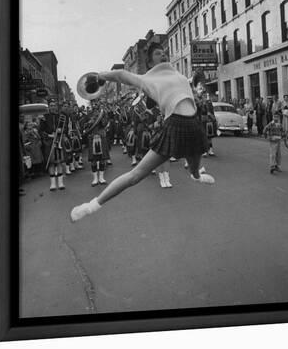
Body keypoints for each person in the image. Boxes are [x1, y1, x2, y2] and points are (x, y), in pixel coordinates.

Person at [70, 43, 214, 222]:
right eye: (158, 54)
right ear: (150, 61)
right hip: (174, 124)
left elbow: (192, 90)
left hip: (193, 124)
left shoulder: (178, 74)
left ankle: (196, 176)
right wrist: (99, 76)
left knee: (194, 165)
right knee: (135, 176)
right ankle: (91, 206)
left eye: (164, 53)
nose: (163, 56)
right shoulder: (147, 78)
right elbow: (122, 75)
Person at [84, 102, 109, 186]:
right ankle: (95, 178)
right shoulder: (88, 114)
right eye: (94, 104)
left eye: (97, 103)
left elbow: (104, 124)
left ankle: (101, 178)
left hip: (101, 136)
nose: (95, 105)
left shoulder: (103, 113)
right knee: (93, 160)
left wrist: (100, 117)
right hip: (92, 137)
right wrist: (90, 122)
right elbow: (84, 127)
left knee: (102, 158)